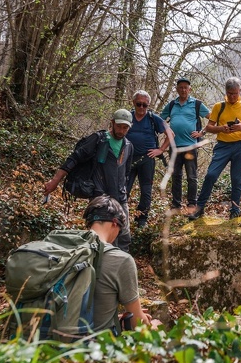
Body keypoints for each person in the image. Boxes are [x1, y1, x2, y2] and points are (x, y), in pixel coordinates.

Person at [44, 109, 134, 251]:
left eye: (125, 128)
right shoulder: (98, 139)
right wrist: (55, 181)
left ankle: (120, 265)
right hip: (100, 197)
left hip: (120, 198)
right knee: (100, 238)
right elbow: (74, 158)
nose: (121, 130)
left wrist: (125, 193)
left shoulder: (129, 146)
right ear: (112, 123)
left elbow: (126, 173)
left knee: (123, 236)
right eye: (119, 126)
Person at [83, 195, 156, 332]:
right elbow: (137, 323)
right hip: (96, 348)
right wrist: (153, 325)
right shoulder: (121, 260)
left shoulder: (67, 251)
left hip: (52, 342)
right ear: (115, 223)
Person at [189, 77, 241, 220]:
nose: (232, 96)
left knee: (237, 180)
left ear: (239, 91)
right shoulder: (219, 106)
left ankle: (235, 210)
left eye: (235, 93)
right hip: (222, 146)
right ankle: (199, 209)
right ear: (226, 92)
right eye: (229, 93)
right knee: (211, 175)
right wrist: (221, 128)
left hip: (240, 146)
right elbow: (209, 127)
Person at [160, 77, 211, 212]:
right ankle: (176, 205)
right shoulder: (172, 105)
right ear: (177, 89)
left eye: (185, 87)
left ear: (190, 89)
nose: (183, 90)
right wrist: (167, 130)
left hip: (190, 146)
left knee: (191, 176)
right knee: (176, 175)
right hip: (174, 147)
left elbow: (213, 119)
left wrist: (202, 132)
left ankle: (191, 204)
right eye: (180, 87)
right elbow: (160, 120)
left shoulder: (196, 104)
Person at [126, 90, 172, 228]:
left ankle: (142, 219)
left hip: (147, 159)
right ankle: (121, 216)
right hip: (128, 158)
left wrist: (161, 149)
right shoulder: (127, 116)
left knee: (146, 190)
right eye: (138, 104)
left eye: (144, 105)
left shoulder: (153, 118)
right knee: (123, 188)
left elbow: (171, 134)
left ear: (148, 105)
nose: (141, 108)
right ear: (133, 103)